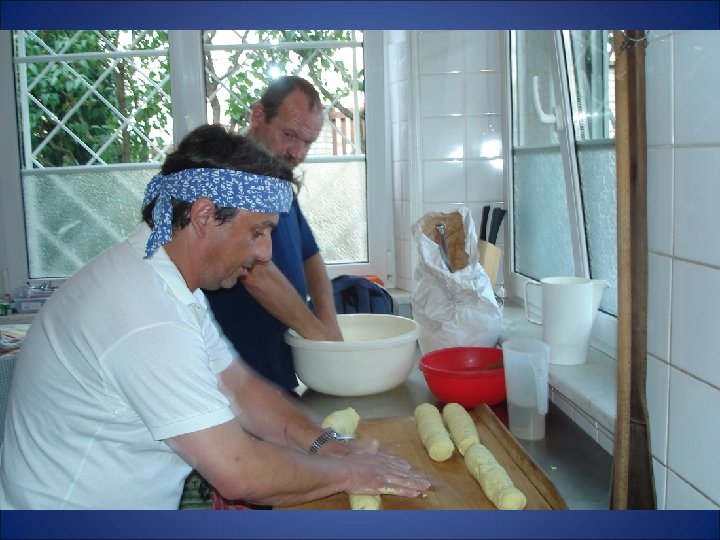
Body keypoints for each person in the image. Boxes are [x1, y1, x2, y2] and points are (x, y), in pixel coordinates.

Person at [0, 124, 429, 509]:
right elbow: (238, 471)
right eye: (257, 232)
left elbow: (240, 388)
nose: (265, 253)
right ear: (204, 215)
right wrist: (352, 474)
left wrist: (328, 446)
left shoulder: (163, 280)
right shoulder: (147, 314)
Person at [205, 76, 342, 393]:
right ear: (258, 116)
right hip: (238, 374)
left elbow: (310, 254)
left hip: (279, 369)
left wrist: (328, 322)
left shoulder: (278, 179)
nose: (298, 153)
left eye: (308, 142)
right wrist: (322, 340)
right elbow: (256, 274)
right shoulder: (230, 178)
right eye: (289, 135)